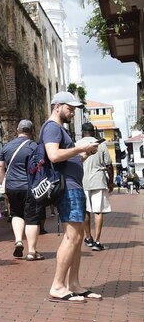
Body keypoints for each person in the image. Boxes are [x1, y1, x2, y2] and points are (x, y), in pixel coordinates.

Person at [43, 91, 100, 303]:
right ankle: (58, 285)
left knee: (77, 237)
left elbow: (67, 158)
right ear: (57, 106)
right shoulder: (52, 127)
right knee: (73, 236)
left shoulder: (59, 129)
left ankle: (73, 283)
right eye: (70, 108)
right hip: (68, 188)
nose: (73, 112)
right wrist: (79, 148)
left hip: (73, 186)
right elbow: (54, 155)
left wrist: (84, 154)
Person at [0, 119, 44, 260]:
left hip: (12, 186)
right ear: (31, 131)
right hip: (29, 186)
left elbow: (0, 167)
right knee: (32, 218)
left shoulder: (6, 147)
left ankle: (18, 240)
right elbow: (41, 167)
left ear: (17, 130)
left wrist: (3, 184)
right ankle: (31, 251)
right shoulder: (34, 146)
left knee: (16, 213)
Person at [81, 122, 113, 252]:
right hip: (98, 181)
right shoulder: (101, 145)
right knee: (98, 211)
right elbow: (109, 165)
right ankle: (97, 241)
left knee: (85, 211)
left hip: (82, 181)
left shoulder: (77, 145)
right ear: (93, 132)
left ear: (82, 132)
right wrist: (111, 181)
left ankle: (88, 238)